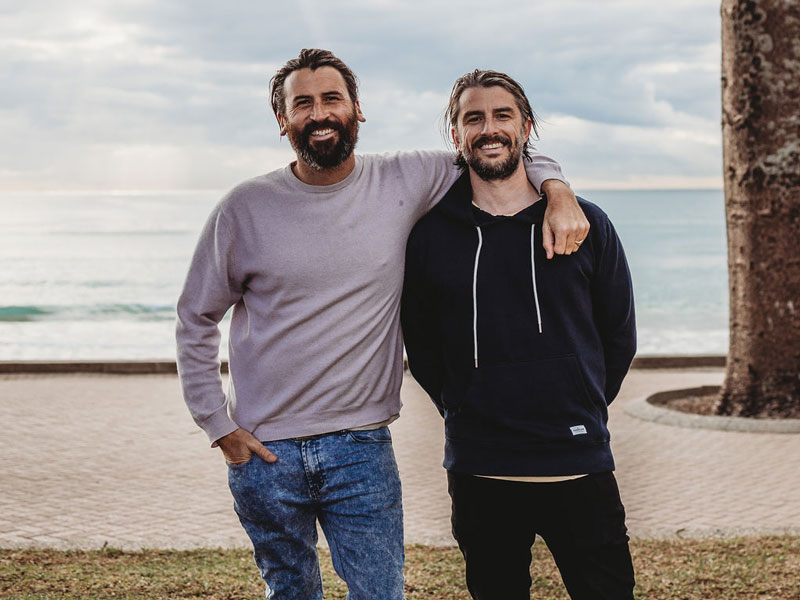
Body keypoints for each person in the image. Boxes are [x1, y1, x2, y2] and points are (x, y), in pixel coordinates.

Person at [176, 49, 587, 600]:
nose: (319, 113)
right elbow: (195, 315)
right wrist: (216, 425)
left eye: (331, 99)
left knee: (380, 594)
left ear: (356, 109)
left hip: (361, 447)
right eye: (303, 103)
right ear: (283, 120)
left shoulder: (406, 177)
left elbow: (493, 151)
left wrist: (558, 190)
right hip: (266, 453)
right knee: (289, 592)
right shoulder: (245, 207)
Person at [401, 69, 637, 600]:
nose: (489, 128)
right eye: (473, 118)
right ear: (457, 135)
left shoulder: (585, 224)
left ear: (526, 127)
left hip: (578, 463)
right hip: (482, 469)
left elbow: (618, 335)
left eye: (502, 115)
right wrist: (466, 407)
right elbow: (424, 349)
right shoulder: (432, 237)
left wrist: (582, 402)